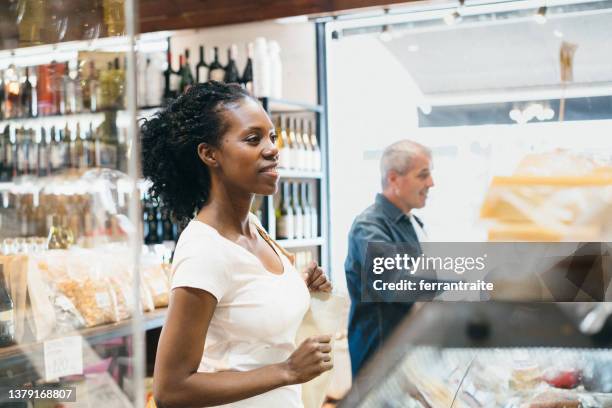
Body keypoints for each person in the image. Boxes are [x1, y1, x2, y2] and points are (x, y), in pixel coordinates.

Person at [142, 82, 332, 408]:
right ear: (209, 154)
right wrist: (286, 370)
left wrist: (300, 287)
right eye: (252, 139)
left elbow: (245, 309)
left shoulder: (255, 228)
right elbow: (170, 389)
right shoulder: (205, 250)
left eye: (272, 137)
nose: (272, 149)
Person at [344, 140, 434, 377]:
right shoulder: (369, 227)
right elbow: (398, 284)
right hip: (380, 361)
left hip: (410, 356)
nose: (431, 183)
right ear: (393, 179)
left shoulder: (412, 222)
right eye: (423, 175)